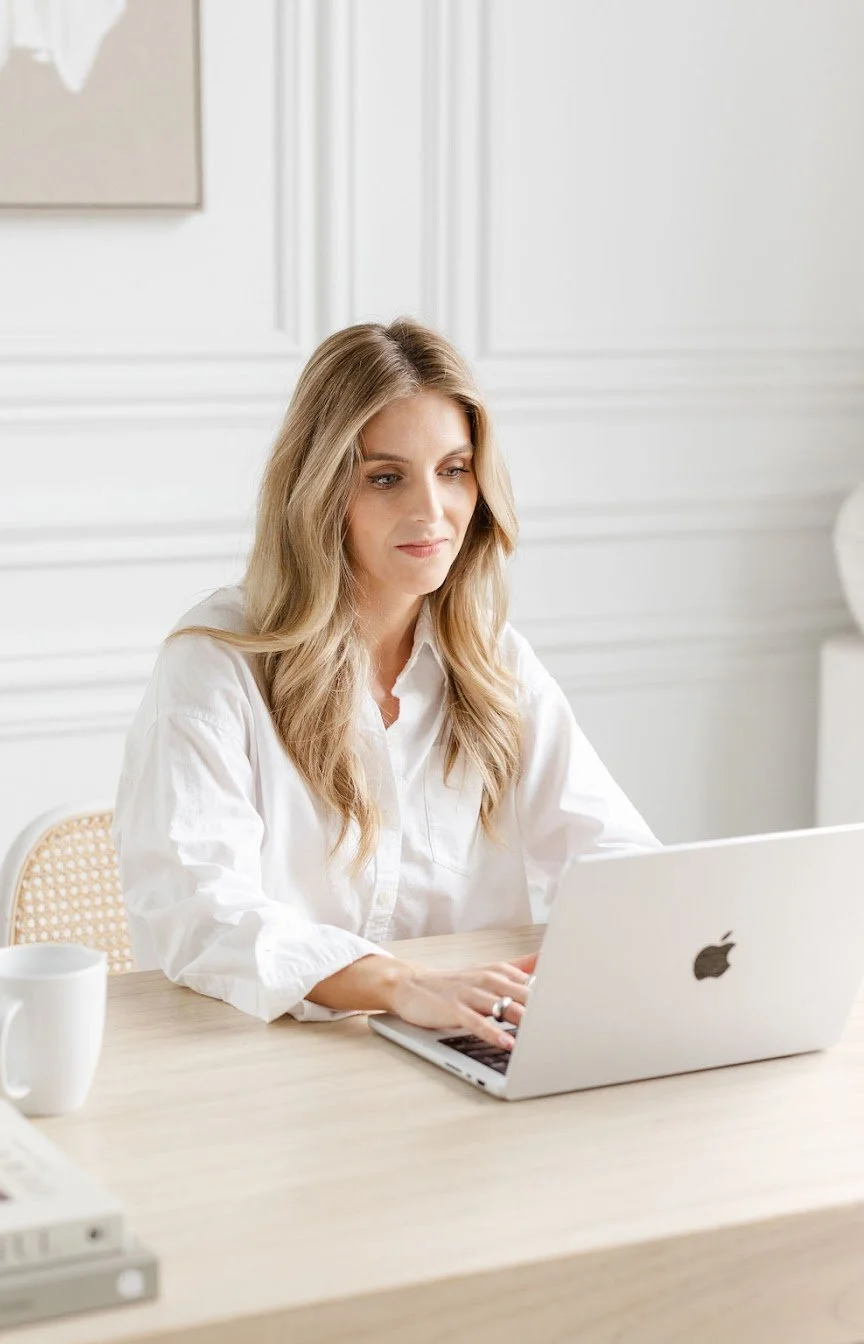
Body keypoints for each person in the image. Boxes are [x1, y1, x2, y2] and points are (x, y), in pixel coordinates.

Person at [113, 318, 659, 1054]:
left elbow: (614, 855)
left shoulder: (495, 663)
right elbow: (199, 909)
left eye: (454, 470)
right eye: (385, 477)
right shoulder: (217, 663)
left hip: (463, 1052)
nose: (431, 512)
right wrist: (399, 984)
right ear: (319, 491)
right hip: (266, 1066)